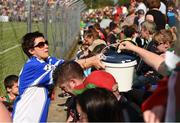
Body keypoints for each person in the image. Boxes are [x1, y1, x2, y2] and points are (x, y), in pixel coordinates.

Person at [12, 31, 104, 122]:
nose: (46, 46)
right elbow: (66, 70)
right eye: (41, 45)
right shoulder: (32, 66)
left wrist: (95, 58)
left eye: (46, 43)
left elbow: (69, 65)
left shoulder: (48, 60)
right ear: (31, 51)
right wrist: (92, 61)